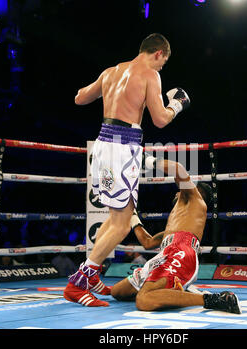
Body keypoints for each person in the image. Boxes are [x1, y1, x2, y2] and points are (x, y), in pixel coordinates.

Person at [63, 33, 191, 307]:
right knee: (122, 225)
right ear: (158, 53)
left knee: (116, 215)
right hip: (122, 149)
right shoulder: (150, 75)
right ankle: (78, 283)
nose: (160, 69)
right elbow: (159, 120)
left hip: (102, 145)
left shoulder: (112, 71)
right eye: (163, 63)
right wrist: (176, 106)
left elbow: (79, 98)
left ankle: (93, 275)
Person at [111, 158, 241, 314]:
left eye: (181, 189)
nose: (177, 191)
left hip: (181, 253)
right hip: (165, 254)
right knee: (117, 292)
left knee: (143, 300)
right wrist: (131, 214)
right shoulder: (177, 221)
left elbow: (177, 169)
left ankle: (214, 299)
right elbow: (147, 242)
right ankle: (171, 293)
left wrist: (145, 159)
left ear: (196, 191)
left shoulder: (195, 200)